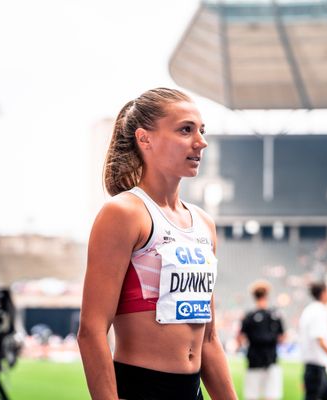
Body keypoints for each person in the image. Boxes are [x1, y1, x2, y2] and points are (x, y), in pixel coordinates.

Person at [77, 88, 237, 400]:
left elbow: (208, 339)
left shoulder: (204, 224)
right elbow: (92, 331)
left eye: (201, 131)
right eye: (185, 130)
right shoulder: (123, 213)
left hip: (193, 391)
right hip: (141, 388)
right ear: (145, 139)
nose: (201, 142)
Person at [237, 280, 285, 400]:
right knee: (272, 396)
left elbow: (240, 338)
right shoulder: (275, 315)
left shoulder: (249, 316)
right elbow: (282, 338)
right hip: (271, 360)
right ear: (267, 295)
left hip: (254, 360)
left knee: (252, 396)